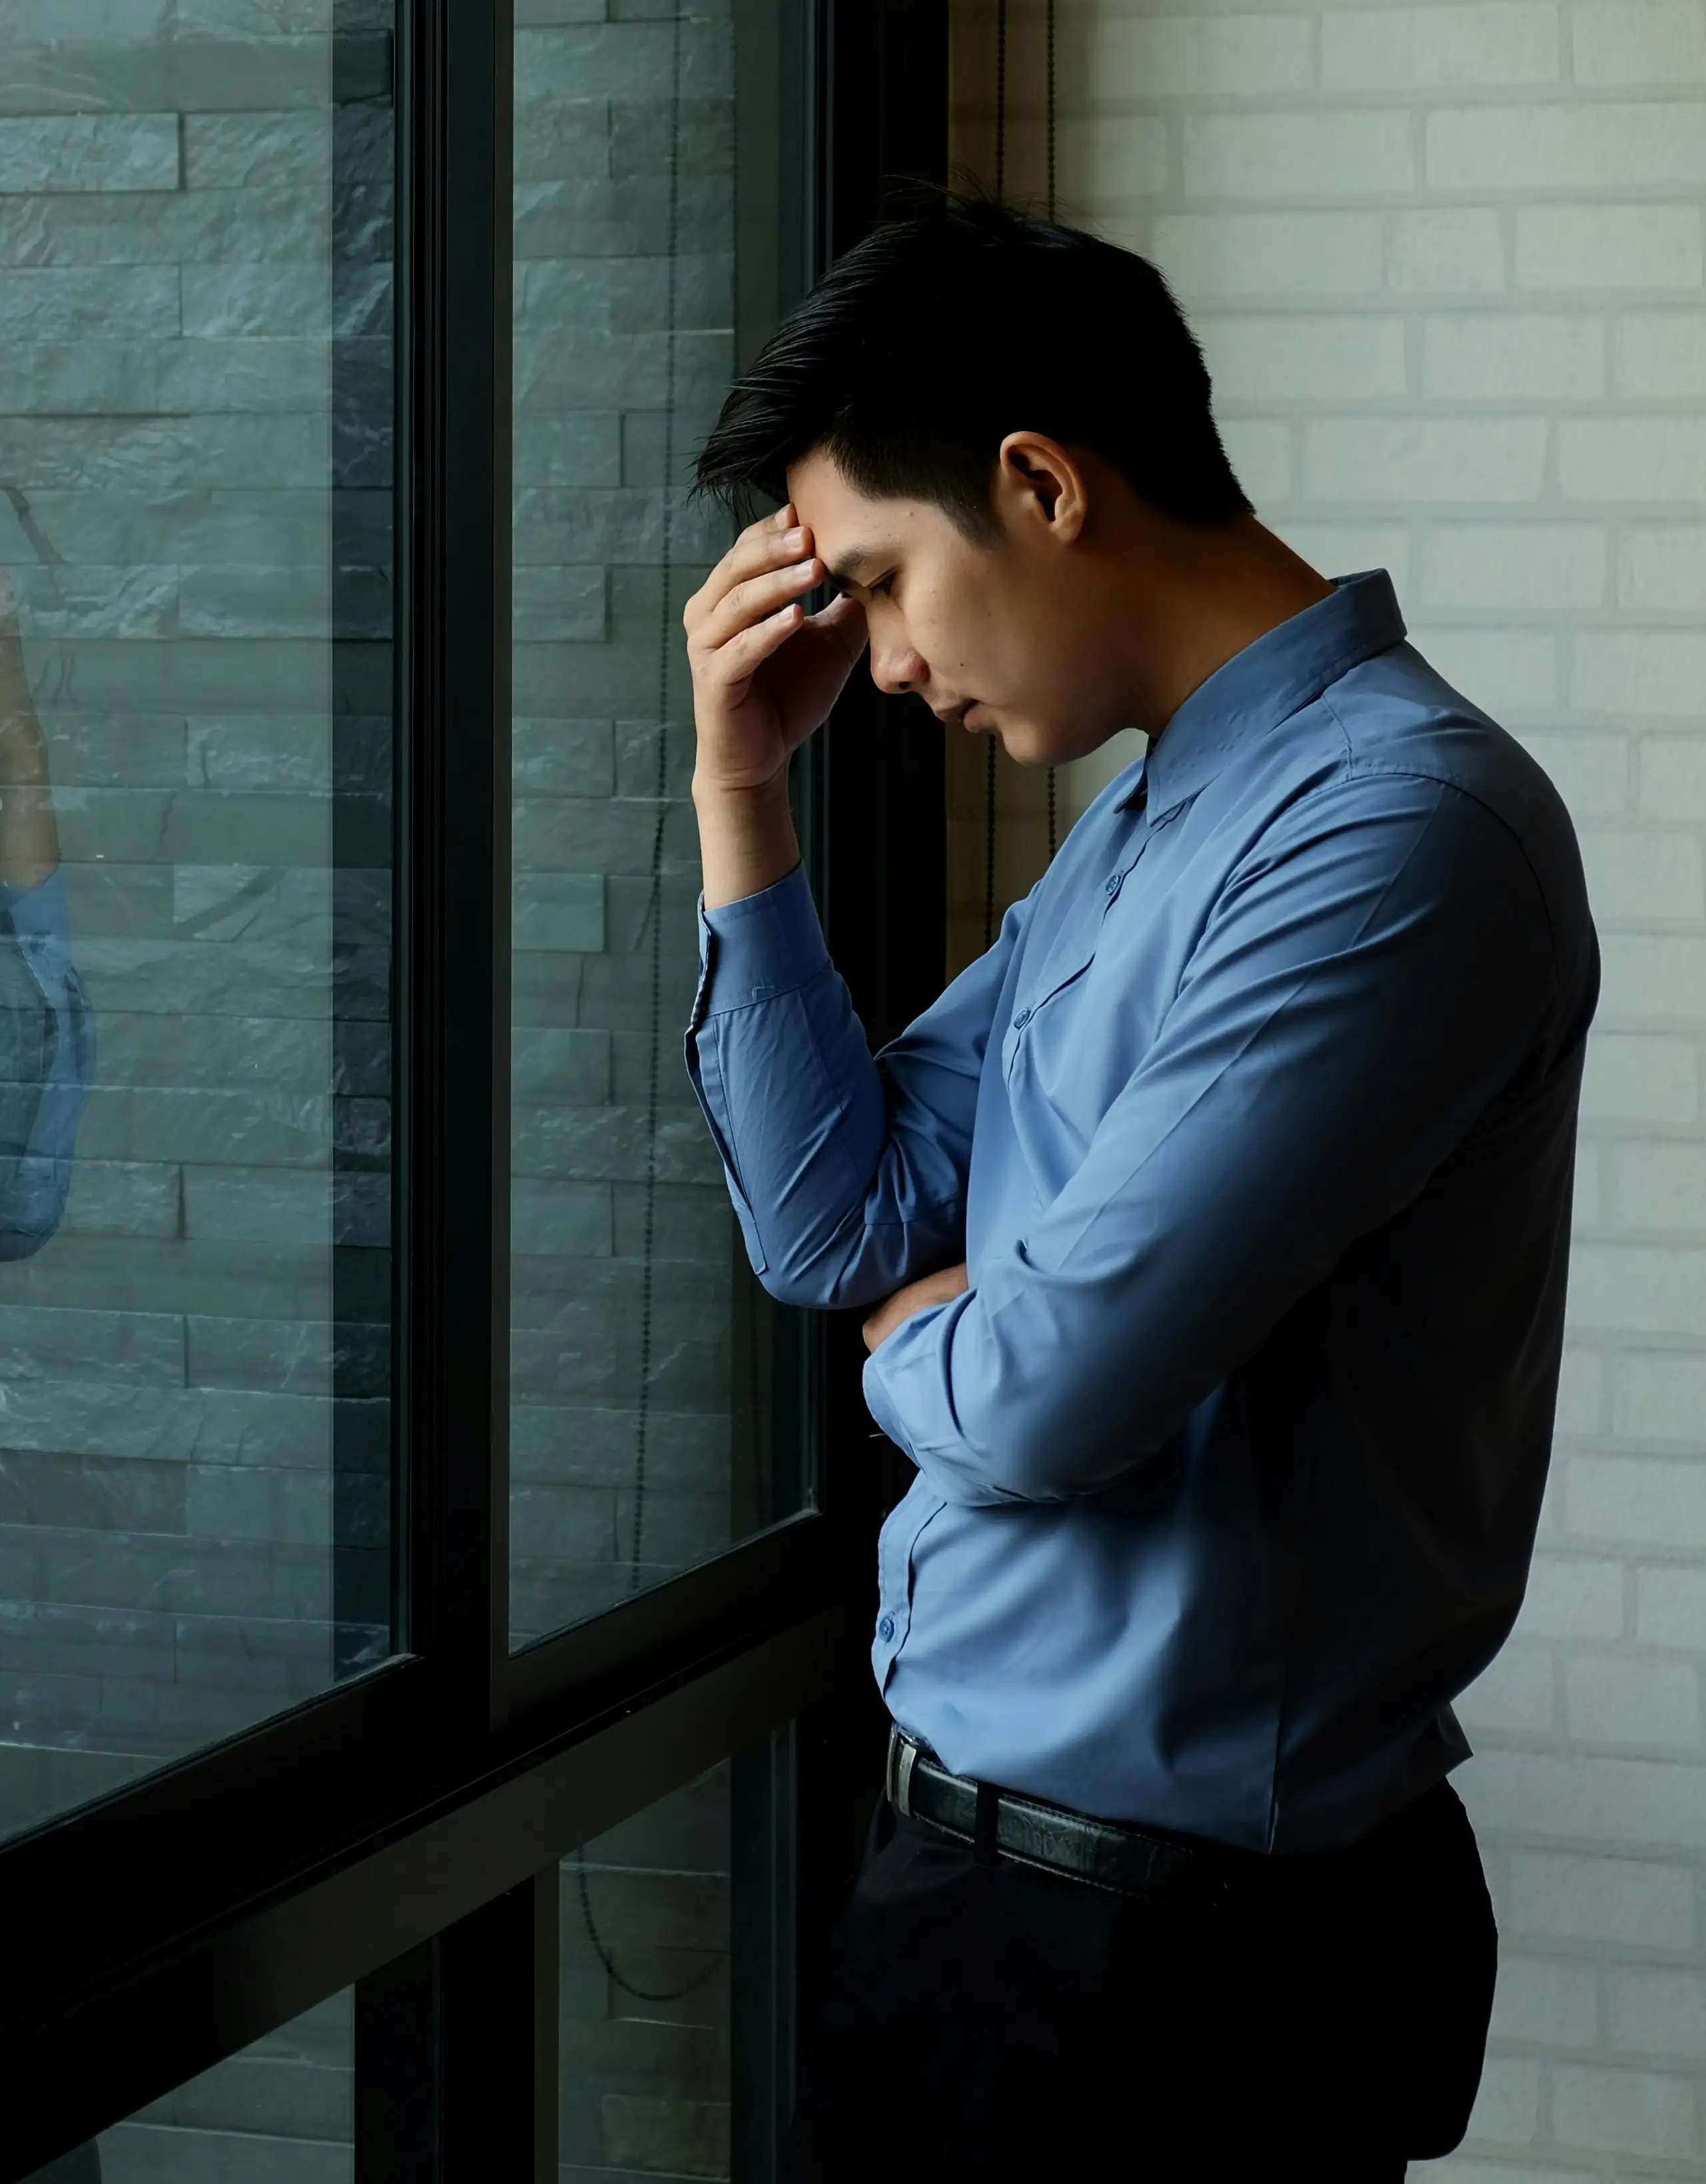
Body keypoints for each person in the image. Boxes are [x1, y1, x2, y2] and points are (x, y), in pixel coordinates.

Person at [676, 199, 1597, 2179]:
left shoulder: (1394, 832)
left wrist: (923, 1346)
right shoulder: (1149, 825)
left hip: (1169, 1974)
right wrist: (741, 796)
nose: (884, 662)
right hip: (985, 1905)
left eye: (886, 582)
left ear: (1042, 484)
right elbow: (836, 1224)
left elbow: (1043, 1393)